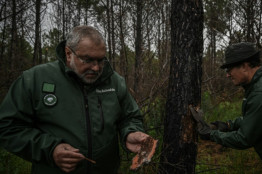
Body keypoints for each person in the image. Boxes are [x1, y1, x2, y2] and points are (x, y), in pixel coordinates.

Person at [0, 25, 150, 174]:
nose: (96, 68)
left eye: (100, 60)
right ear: (68, 53)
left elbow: (130, 117)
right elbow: (8, 127)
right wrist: (50, 149)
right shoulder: (34, 80)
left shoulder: (114, 82)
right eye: (88, 60)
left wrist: (130, 133)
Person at [190, 42, 262, 174]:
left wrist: (211, 134)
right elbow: (258, 118)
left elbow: (244, 139)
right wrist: (228, 125)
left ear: (245, 66)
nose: (227, 75)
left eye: (229, 69)